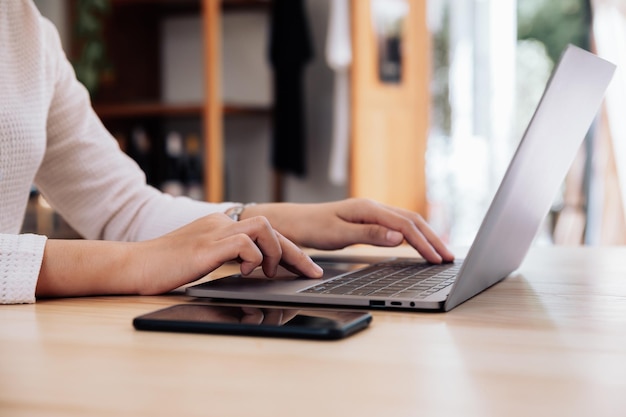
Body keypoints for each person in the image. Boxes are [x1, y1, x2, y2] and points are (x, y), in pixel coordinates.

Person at [0, 0, 453, 305]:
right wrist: (135, 263)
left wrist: (276, 222)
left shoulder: (26, 28)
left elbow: (122, 208)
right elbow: (136, 244)